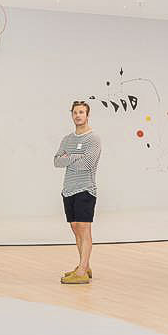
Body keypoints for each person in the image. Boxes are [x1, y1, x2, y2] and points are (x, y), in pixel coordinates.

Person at [53, 101, 101, 284]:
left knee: (84, 228)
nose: (78, 115)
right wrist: (77, 156)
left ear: (87, 115)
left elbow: (87, 164)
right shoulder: (67, 139)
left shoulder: (93, 138)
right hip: (68, 189)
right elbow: (57, 161)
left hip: (85, 189)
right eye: (75, 112)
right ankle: (84, 266)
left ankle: (81, 272)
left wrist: (69, 157)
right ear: (72, 115)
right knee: (75, 228)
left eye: (81, 112)